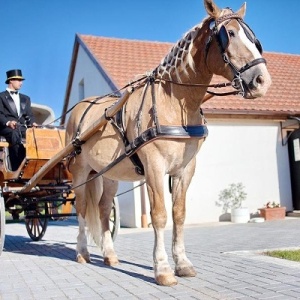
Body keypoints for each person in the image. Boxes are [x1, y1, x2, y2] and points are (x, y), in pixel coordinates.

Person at [0, 69, 37, 171]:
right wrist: (8, 122)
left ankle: (36, 165)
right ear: (11, 81)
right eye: (19, 80)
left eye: (22, 80)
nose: (21, 83)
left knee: (36, 135)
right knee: (14, 134)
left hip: (21, 127)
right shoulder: (1, 97)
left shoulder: (26, 98)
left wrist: (32, 123)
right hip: (6, 127)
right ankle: (18, 168)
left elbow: (29, 115)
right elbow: (0, 114)